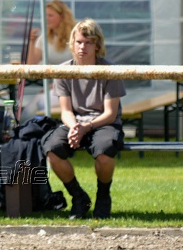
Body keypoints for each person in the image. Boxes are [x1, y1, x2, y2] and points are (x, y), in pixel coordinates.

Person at [42, 18, 126, 220]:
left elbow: (110, 114)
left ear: (97, 45)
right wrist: (74, 127)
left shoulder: (110, 70)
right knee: (52, 150)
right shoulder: (63, 69)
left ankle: (103, 197)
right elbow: (65, 111)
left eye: (88, 42)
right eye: (79, 42)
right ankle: (78, 197)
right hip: (75, 122)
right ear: (72, 44)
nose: (83, 47)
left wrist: (85, 127)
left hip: (103, 123)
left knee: (105, 152)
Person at [28, 0, 76, 65]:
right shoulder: (44, 37)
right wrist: (31, 41)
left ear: (62, 17)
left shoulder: (75, 37)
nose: (46, 18)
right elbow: (31, 64)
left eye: (50, 15)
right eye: (45, 15)